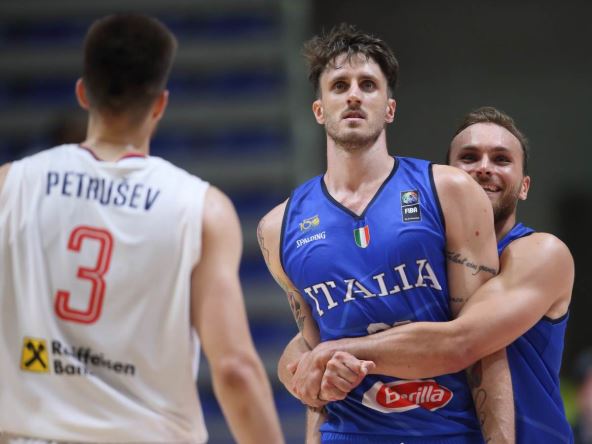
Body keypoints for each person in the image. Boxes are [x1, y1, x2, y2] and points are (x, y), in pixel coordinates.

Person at [0, 14, 283, 444]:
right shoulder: (201, 208)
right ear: (160, 104)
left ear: (83, 92)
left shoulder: (10, 185)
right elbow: (235, 370)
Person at [257, 24, 514, 443]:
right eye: (339, 85)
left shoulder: (449, 190)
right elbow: (315, 368)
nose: (353, 95)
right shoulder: (277, 228)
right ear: (319, 110)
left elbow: (484, 344)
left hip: (445, 432)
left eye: (368, 85)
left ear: (389, 108)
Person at [283, 106, 574, 443]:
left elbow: (461, 341)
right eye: (469, 157)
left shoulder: (541, 253)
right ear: (447, 179)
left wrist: (329, 353)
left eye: (501, 159)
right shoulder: (428, 265)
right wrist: (302, 369)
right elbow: (319, 336)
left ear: (524, 186)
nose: (483, 168)